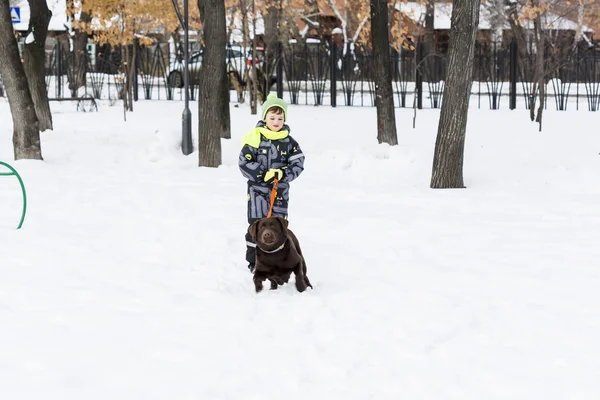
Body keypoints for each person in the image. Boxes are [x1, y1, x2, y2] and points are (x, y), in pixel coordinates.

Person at [238, 93, 305, 273]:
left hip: (279, 193)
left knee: (278, 229)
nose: (276, 122)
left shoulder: (289, 142)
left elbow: (298, 163)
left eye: (280, 118)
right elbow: (244, 162)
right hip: (258, 194)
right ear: (265, 118)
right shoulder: (255, 138)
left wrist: (282, 174)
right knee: (257, 228)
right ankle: (254, 261)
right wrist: (263, 174)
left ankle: (277, 261)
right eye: (272, 117)